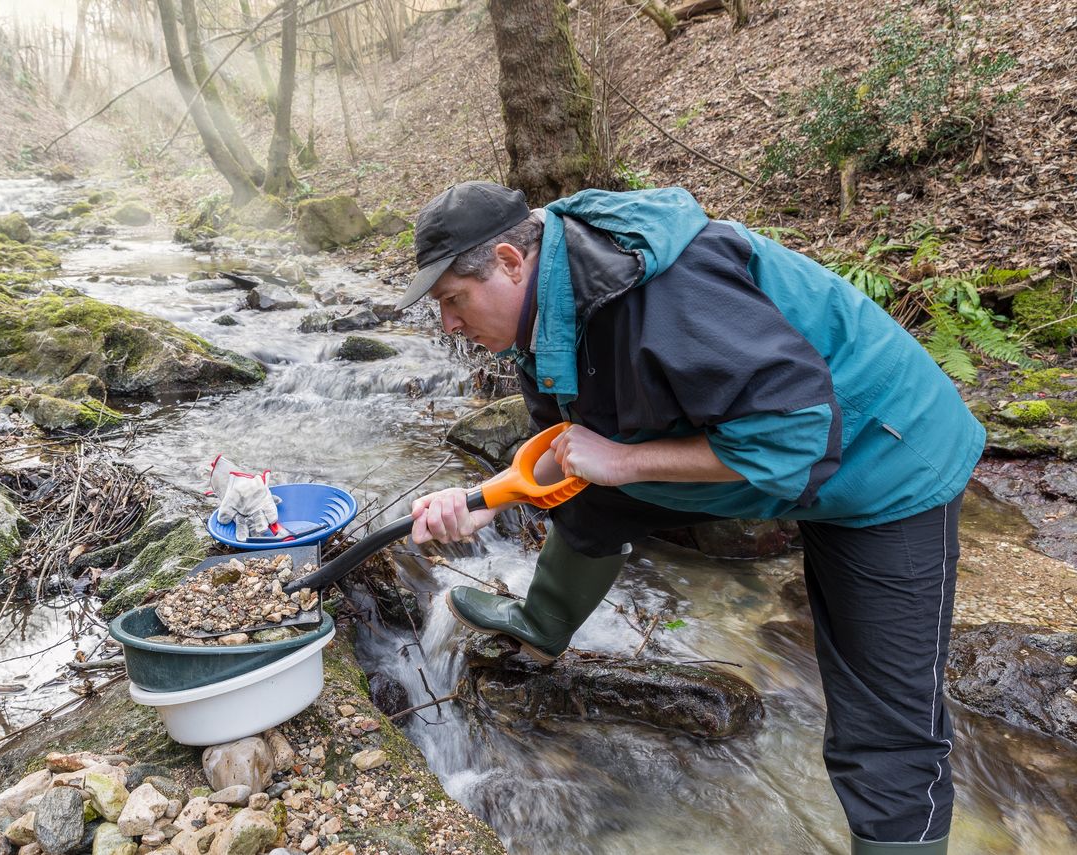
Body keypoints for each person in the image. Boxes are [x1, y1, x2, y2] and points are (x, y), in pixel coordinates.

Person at [396, 181, 985, 855]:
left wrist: (626, 461)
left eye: (451, 301)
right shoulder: (543, 314)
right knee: (597, 471)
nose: (446, 324)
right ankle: (543, 623)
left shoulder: (665, 295)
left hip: (886, 457)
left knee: (883, 729)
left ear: (509, 261)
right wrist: (475, 503)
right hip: (767, 450)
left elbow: (795, 436)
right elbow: (560, 459)